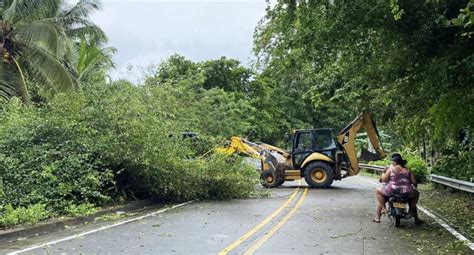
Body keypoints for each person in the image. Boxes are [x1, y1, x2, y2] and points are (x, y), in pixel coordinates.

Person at [373, 153, 422, 224]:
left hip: (392, 190)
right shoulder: (408, 170)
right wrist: (414, 188)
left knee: (379, 192)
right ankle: (411, 213)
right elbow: (414, 181)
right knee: (415, 196)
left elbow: (383, 180)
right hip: (406, 191)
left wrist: (383, 173)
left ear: (395, 162)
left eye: (392, 161)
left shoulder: (391, 168)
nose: (391, 163)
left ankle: (382, 211)